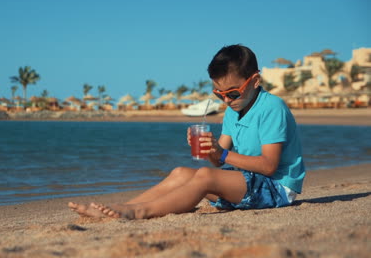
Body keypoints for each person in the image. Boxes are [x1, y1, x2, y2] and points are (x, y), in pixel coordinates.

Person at [68, 44, 305, 219]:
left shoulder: (271, 107)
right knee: (182, 173)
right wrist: (210, 149)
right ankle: (122, 207)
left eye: (232, 93)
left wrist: (221, 154)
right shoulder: (233, 110)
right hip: (249, 182)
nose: (226, 100)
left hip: (277, 188)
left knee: (204, 177)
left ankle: (139, 212)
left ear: (254, 81)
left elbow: (268, 166)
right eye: (218, 94)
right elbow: (218, 161)